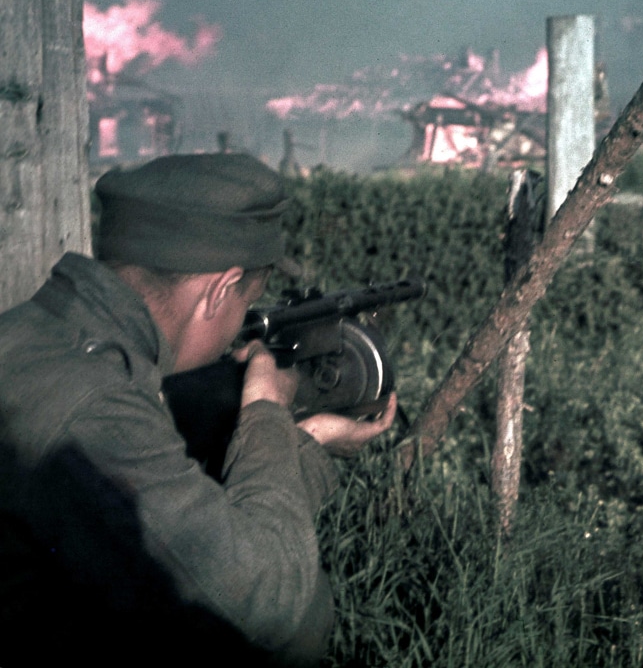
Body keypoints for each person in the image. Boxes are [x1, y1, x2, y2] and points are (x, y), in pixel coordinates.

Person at [0, 153, 396, 666]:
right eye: (246, 303)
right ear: (219, 289)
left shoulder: (34, 334)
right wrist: (266, 413)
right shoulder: (96, 408)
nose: (238, 332)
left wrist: (305, 441)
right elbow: (271, 610)